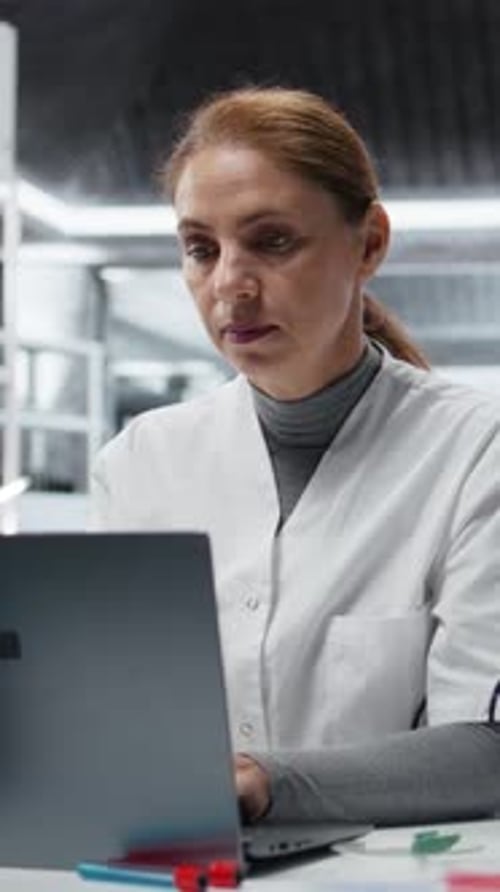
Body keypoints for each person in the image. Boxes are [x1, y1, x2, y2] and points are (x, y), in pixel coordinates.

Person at [91, 87, 500, 826]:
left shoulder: (477, 452)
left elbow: (486, 748)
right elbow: (113, 715)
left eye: (273, 241)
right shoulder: (139, 463)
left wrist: (265, 781)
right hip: (180, 868)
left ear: (369, 243)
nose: (229, 286)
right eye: (200, 249)